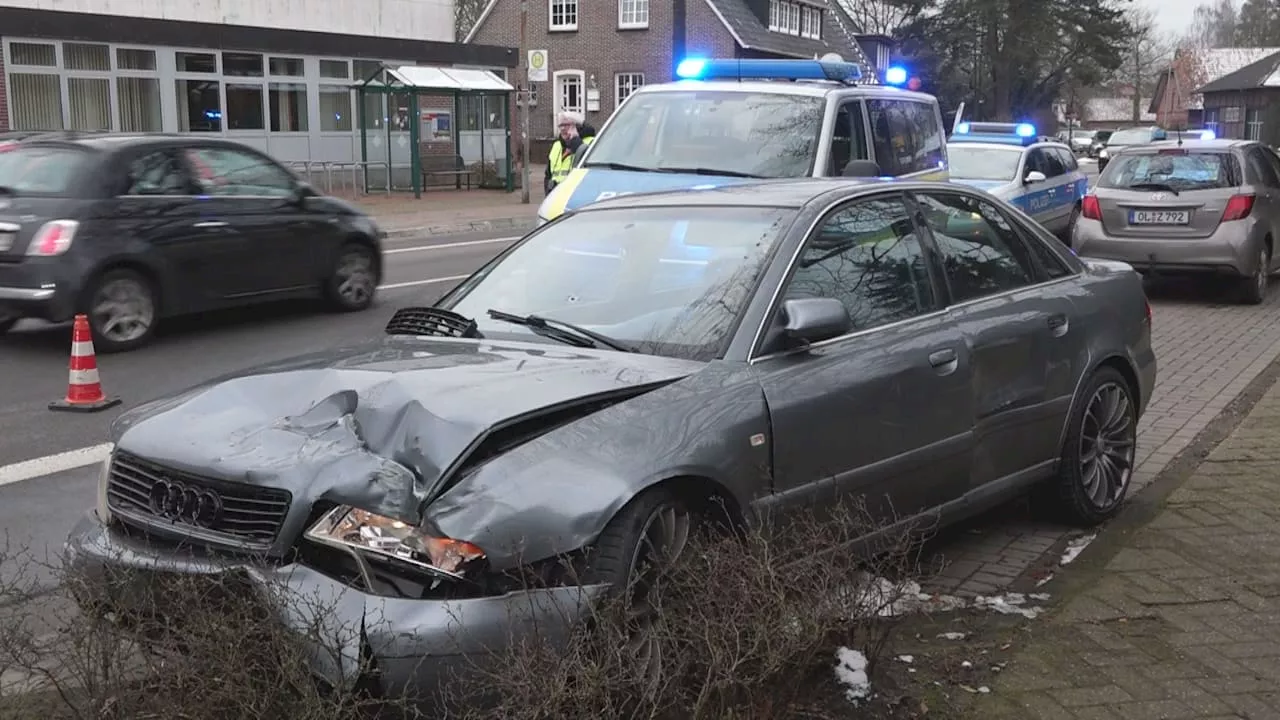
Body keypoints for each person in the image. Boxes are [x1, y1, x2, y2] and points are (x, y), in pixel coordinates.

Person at [545, 111, 586, 194]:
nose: (563, 128)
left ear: (575, 126)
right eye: (560, 125)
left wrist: (575, 140)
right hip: (555, 195)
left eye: (566, 125)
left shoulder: (585, 144)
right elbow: (548, 175)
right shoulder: (556, 146)